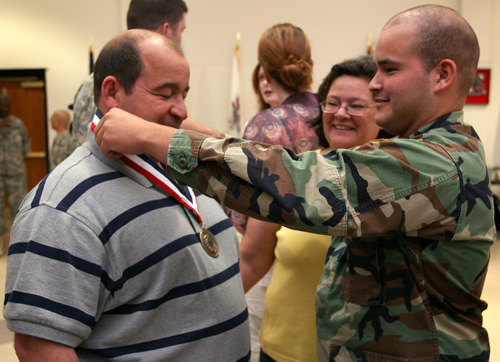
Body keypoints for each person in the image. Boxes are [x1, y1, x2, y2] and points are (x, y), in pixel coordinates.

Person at [94, 5, 496, 361]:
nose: (374, 84)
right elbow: (278, 164)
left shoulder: (436, 163)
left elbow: (300, 185)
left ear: (442, 75)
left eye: (389, 69)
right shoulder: (424, 150)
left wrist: (153, 137)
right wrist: (170, 121)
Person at [4, 29, 250, 362]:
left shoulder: (185, 169)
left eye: (183, 93)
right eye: (166, 93)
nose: (182, 111)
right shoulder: (63, 208)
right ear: (112, 92)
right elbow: (39, 347)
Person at [240, 57, 386, 362]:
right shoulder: (296, 172)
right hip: (281, 350)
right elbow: (252, 259)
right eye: (332, 103)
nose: (341, 114)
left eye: (356, 105)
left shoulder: (395, 181)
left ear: (382, 112)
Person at [233, 23, 320, 362]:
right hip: (321, 257)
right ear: (310, 61)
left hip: (270, 256)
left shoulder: (266, 124)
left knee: (260, 341)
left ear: (264, 71)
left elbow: (244, 207)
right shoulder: (332, 112)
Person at [71, 0, 188, 149]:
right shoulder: (111, 79)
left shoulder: (94, 79)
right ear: (166, 30)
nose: (182, 113)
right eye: (165, 94)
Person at [0, 94, 31, 257]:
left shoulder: (18, 124)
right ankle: (2, 246)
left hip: (16, 174)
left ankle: (16, 244)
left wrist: (16, 159)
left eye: (7, 105)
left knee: (18, 209)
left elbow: (27, 144)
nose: (4, 108)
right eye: (1, 105)